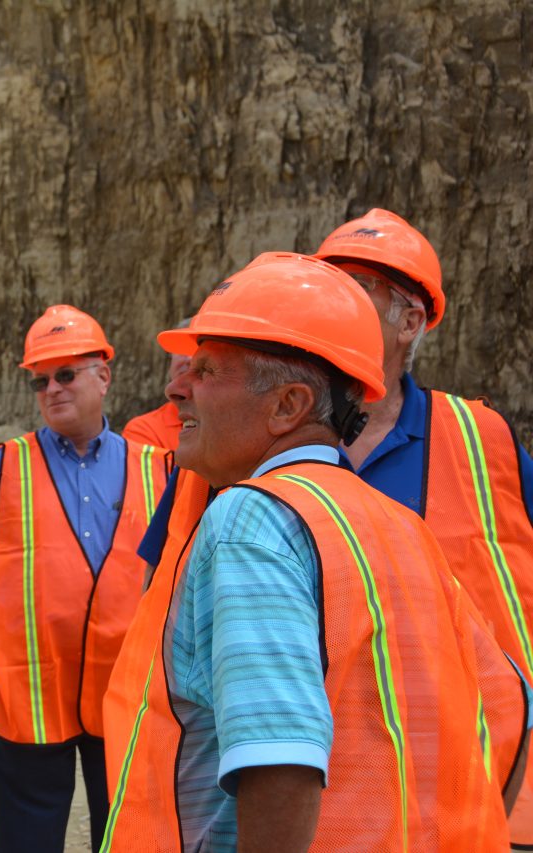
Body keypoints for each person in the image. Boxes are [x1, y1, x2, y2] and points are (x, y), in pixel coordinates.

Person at [101, 252, 528, 852]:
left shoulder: (253, 517)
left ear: (287, 406)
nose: (175, 388)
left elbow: (279, 757)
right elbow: (509, 709)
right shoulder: (401, 527)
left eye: (206, 371)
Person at [313, 209, 533, 845]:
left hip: (461, 778)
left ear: (410, 320)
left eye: (355, 287)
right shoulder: (268, 431)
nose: (332, 302)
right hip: (312, 774)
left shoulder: (477, 438)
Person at [0, 305, 168, 853]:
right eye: (40, 380)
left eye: (66, 374)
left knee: (123, 835)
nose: (52, 389)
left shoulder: (155, 467)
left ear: (104, 375)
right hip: (30, 693)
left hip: (123, 695)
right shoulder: (6, 464)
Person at [122, 320, 191, 451]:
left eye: (196, 350)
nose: (188, 359)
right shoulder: (146, 429)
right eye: (181, 348)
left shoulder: (236, 423)